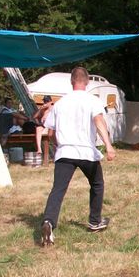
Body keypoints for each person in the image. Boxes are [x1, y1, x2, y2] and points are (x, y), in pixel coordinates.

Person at [39, 66, 116, 246]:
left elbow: (50, 134)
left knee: (58, 190)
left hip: (65, 151)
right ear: (87, 81)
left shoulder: (60, 103)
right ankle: (95, 221)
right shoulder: (92, 101)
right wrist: (109, 146)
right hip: (86, 151)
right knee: (97, 184)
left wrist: (59, 145)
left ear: (71, 81)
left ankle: (48, 222)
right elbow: (98, 122)